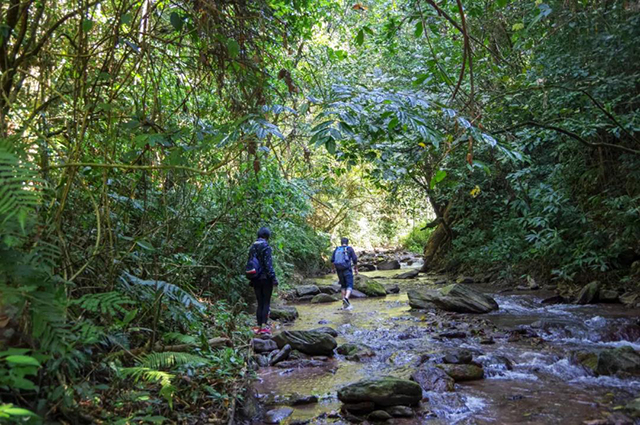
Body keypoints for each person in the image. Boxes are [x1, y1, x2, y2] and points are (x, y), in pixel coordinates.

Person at [247, 227, 278, 334]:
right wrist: (273, 278)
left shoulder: (252, 247)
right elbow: (268, 265)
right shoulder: (266, 247)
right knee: (266, 302)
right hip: (265, 278)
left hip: (255, 278)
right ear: (267, 236)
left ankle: (259, 327)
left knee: (259, 303)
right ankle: (264, 327)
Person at [331, 237, 358, 310]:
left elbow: (332, 261)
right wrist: (356, 268)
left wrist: (333, 269)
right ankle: (346, 298)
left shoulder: (337, 249)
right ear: (347, 242)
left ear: (341, 242)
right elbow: (355, 259)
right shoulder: (350, 249)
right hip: (347, 269)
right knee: (349, 285)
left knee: (343, 286)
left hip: (339, 270)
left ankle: (343, 305)